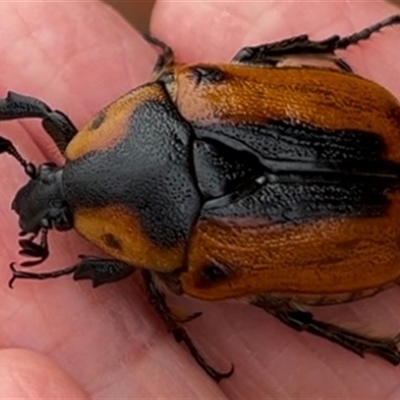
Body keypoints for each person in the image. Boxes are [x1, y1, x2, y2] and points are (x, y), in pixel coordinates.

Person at [1, 1, 400, 397]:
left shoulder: (192, 260)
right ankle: (340, 43)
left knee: (290, 314)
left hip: (379, 175)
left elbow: (136, 271)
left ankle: (382, 347)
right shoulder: (182, 96)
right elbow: (44, 113)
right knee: (249, 60)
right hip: (377, 145)